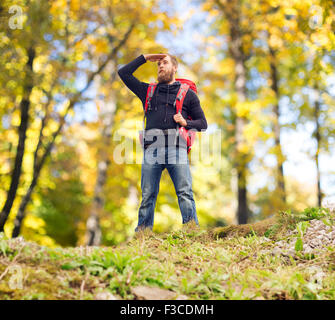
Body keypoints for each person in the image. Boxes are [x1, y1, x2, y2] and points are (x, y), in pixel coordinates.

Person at [118, 53, 207, 232]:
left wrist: (185, 122)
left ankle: (191, 232)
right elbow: (124, 73)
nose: (160, 66)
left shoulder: (188, 94)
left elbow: (203, 124)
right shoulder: (147, 91)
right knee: (147, 196)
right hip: (152, 150)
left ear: (175, 68)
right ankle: (143, 236)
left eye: (164, 62)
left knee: (185, 193)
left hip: (177, 148)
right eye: (158, 64)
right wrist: (144, 57)